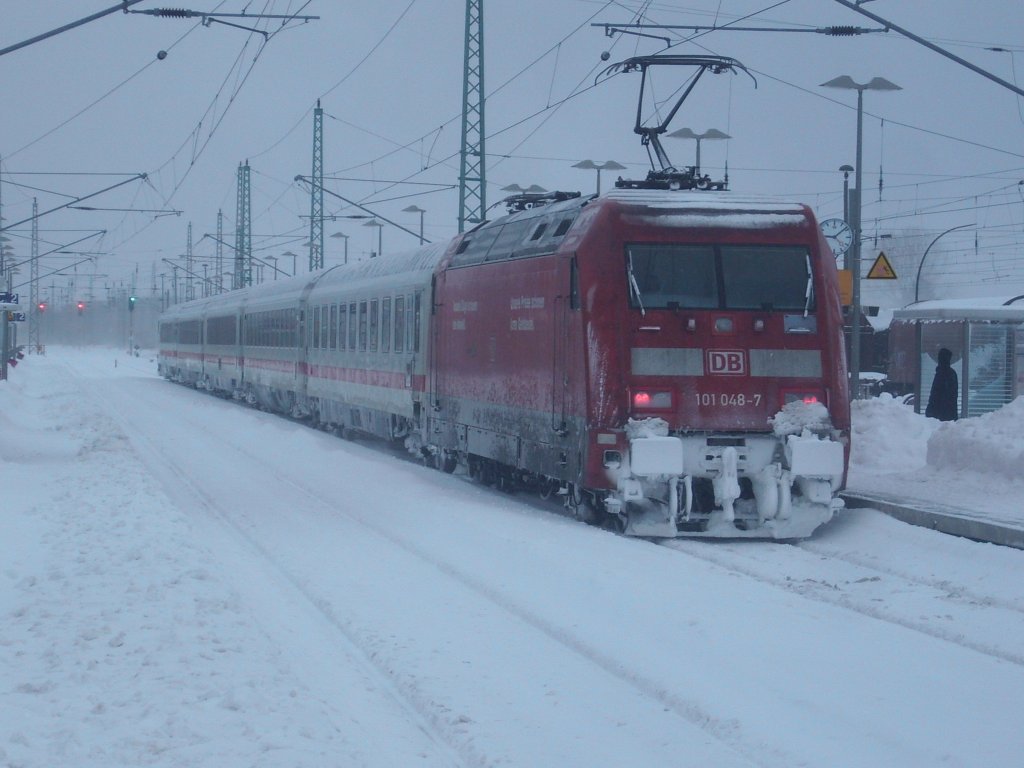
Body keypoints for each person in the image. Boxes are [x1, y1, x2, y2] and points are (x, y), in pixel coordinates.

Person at [925, 347, 958, 421]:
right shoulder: (951, 373)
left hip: (940, 413)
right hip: (948, 412)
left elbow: (936, 393)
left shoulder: (942, 373)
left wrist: (931, 410)